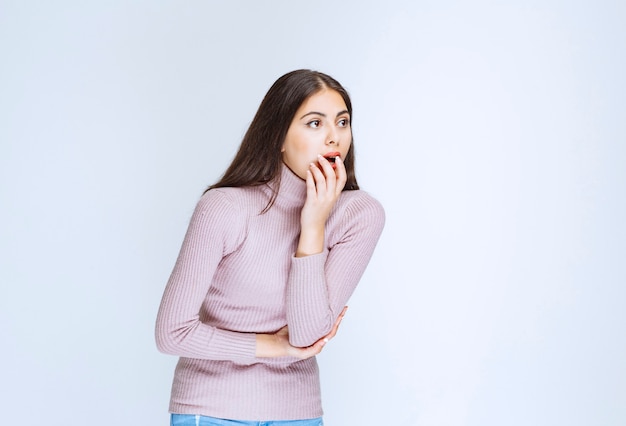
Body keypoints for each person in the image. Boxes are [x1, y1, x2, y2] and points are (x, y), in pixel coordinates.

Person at [155, 69, 385, 426]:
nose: (333, 138)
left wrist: (313, 225)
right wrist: (276, 346)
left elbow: (308, 335)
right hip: (212, 408)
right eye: (314, 123)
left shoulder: (359, 214)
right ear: (278, 136)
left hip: (298, 413)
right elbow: (172, 333)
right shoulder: (225, 207)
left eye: (342, 122)